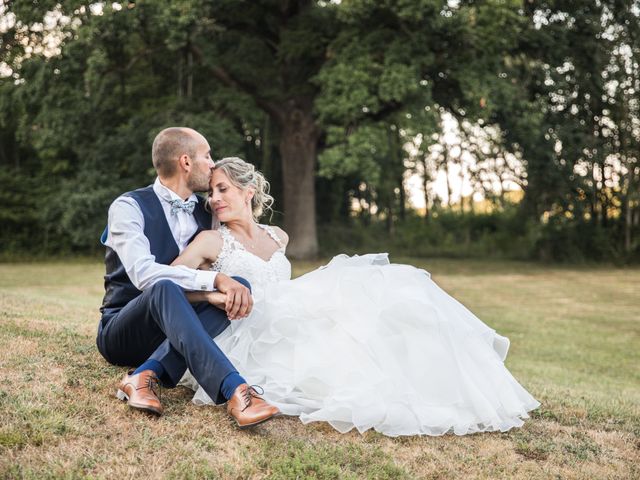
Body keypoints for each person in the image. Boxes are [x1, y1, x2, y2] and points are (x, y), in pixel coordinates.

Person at [176, 157, 540, 437]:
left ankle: (443, 386)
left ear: (247, 192)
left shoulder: (278, 235)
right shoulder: (211, 241)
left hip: (288, 314)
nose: (216, 199)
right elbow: (169, 283)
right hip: (251, 327)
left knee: (393, 291)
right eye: (212, 193)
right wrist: (212, 294)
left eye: (223, 189)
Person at [96, 128, 279, 428]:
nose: (212, 163)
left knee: (240, 287)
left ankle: (145, 374)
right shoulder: (128, 207)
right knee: (165, 287)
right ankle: (236, 390)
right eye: (207, 156)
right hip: (126, 329)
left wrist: (221, 287)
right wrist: (214, 283)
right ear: (185, 162)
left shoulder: (208, 212)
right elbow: (144, 275)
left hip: (178, 326)